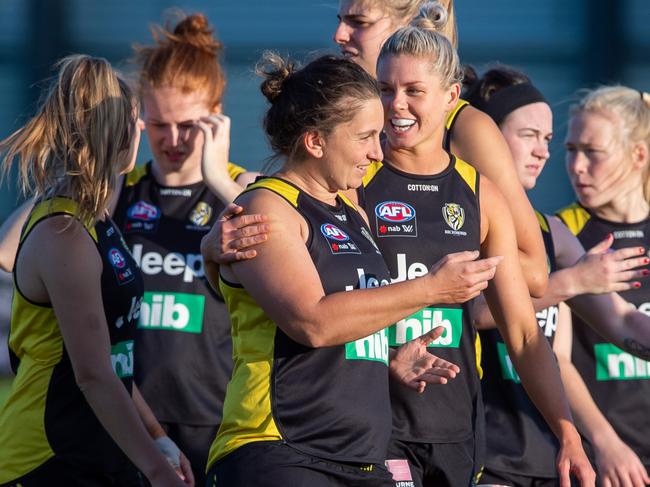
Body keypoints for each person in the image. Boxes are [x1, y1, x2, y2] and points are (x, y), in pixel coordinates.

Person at [202, 21, 595, 487]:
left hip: (446, 421)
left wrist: (567, 431)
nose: (396, 106)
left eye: (413, 90)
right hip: (359, 431)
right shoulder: (347, 181)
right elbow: (277, 237)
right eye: (385, 89)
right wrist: (212, 249)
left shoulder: (476, 192)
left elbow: (526, 320)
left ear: (452, 97)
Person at [0, 14, 256, 484]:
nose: (173, 141)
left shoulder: (239, 189)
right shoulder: (115, 196)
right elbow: (11, 252)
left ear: (217, 117)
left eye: (189, 126)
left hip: (210, 417)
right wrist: (91, 163)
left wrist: (219, 178)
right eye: (156, 125)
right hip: (119, 415)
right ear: (136, 122)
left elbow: (292, 238)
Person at [0, 55, 189, 487]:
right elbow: (93, 373)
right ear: (116, 131)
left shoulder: (96, 221)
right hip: (47, 458)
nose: (142, 131)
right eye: (137, 120)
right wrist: (158, 472)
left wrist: (158, 438)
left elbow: (114, 359)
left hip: (103, 450)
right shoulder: (63, 232)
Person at [464, 66, 650, 487]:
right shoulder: (461, 219)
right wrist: (572, 282)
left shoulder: (552, 232)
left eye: (547, 140)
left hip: (550, 456)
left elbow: (621, 321)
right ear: (486, 138)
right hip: (489, 455)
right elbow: (476, 310)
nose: (545, 153)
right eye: (529, 136)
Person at [331, 0, 548, 296]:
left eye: (360, 22)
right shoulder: (343, 110)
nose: (339, 35)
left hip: (454, 337)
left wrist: (436, 249)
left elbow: (536, 272)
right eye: (341, 20)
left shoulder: (466, 126)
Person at [556, 86, 650, 485]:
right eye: (571, 149)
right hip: (604, 461)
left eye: (592, 152)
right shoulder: (563, 234)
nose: (577, 166)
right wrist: (605, 442)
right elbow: (554, 358)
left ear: (638, 155)